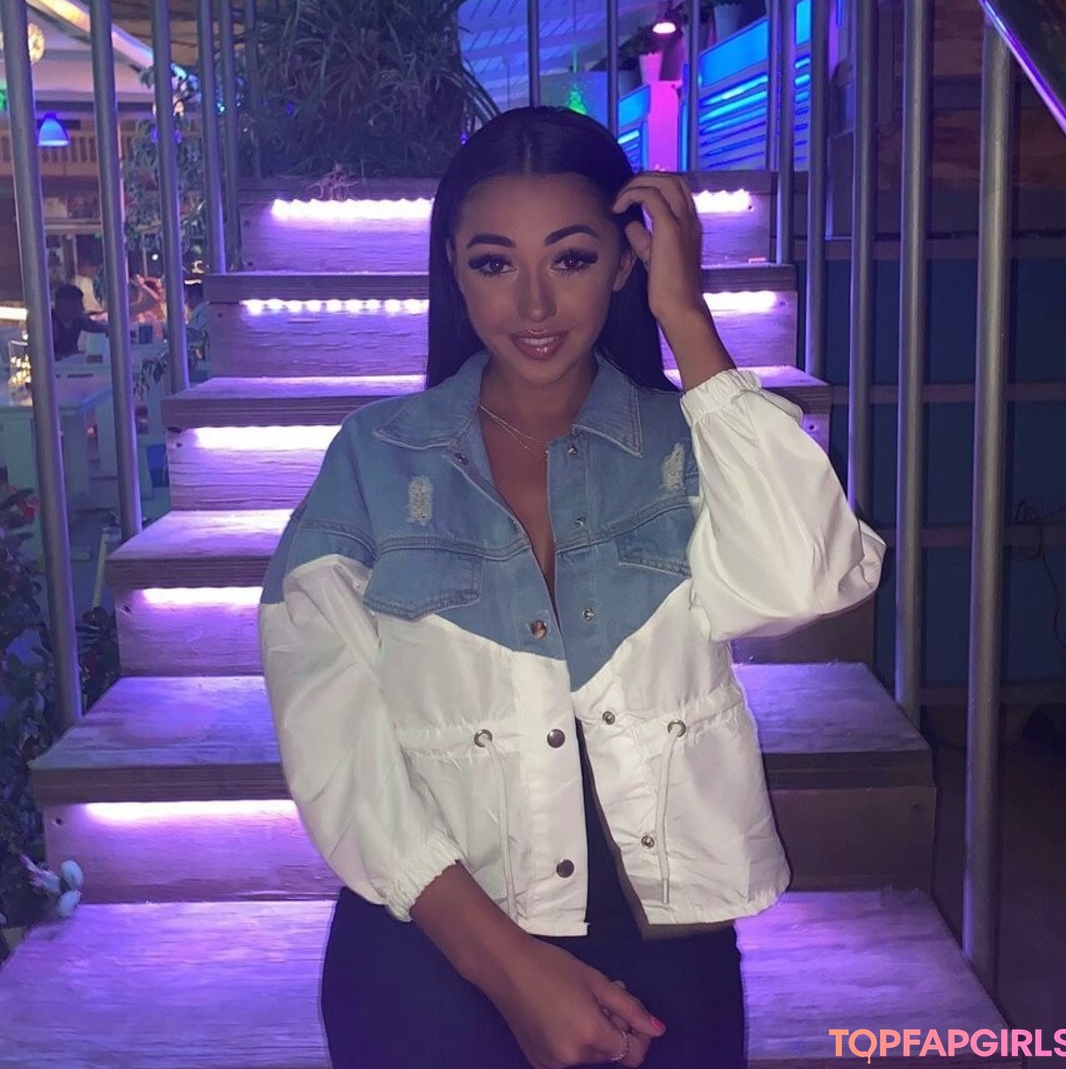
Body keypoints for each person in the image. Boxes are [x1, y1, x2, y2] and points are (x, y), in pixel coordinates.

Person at [259, 108, 885, 1069]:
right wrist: (512, 969)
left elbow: (807, 578)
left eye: (573, 258)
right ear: (454, 268)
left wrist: (689, 322)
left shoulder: (695, 443)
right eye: (494, 263)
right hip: (432, 944)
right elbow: (333, 736)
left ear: (628, 261)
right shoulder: (375, 459)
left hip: (664, 939)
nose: (534, 304)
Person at [51, 283, 108, 360]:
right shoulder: (49, 323)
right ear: (62, 305)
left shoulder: (79, 320)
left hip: (73, 363)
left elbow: (97, 328)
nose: (82, 308)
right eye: (77, 305)